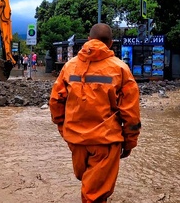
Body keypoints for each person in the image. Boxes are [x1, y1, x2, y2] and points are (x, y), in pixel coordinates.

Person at [49, 23, 141, 203]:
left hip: (76, 141)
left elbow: (55, 102)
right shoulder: (120, 69)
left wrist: (65, 130)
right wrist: (129, 142)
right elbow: (130, 113)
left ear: (89, 40)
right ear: (111, 43)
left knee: (88, 185)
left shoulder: (69, 66)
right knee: (95, 195)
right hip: (105, 142)